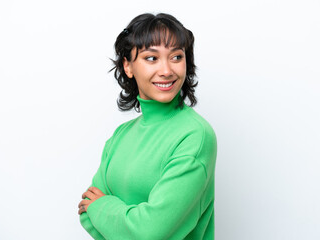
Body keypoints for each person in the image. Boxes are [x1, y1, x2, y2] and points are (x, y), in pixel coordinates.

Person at [78, 12, 217, 240]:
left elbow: (149, 233)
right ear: (128, 66)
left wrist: (103, 208)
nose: (166, 70)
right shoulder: (121, 135)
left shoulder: (195, 136)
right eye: (151, 58)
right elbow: (86, 209)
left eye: (176, 57)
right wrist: (121, 220)